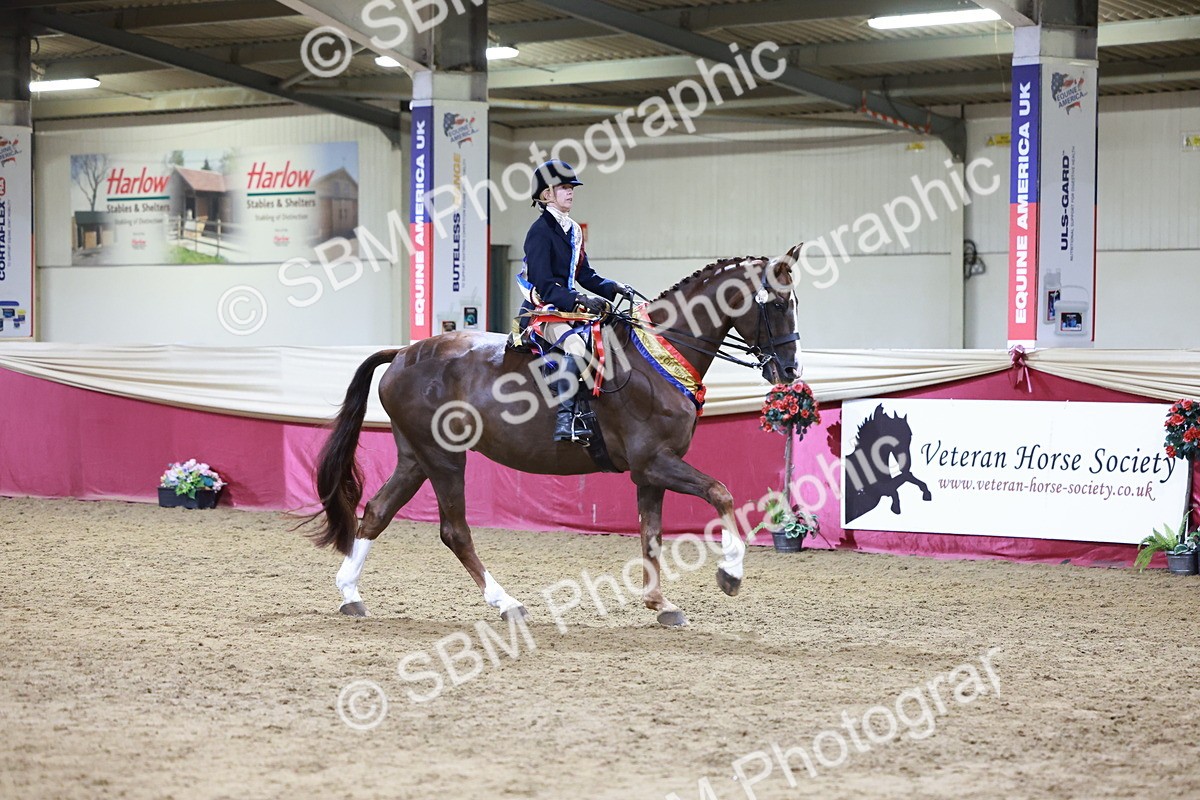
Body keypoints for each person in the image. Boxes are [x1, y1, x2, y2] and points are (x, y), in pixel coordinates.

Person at [517, 160, 635, 443]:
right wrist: (578, 299)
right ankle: (565, 419)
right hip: (541, 310)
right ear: (546, 194)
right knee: (575, 344)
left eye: (571, 188)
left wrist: (613, 287)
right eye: (564, 188)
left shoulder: (573, 230)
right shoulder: (539, 232)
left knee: (610, 336)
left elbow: (585, 274)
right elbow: (544, 284)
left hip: (568, 308)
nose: (571, 193)